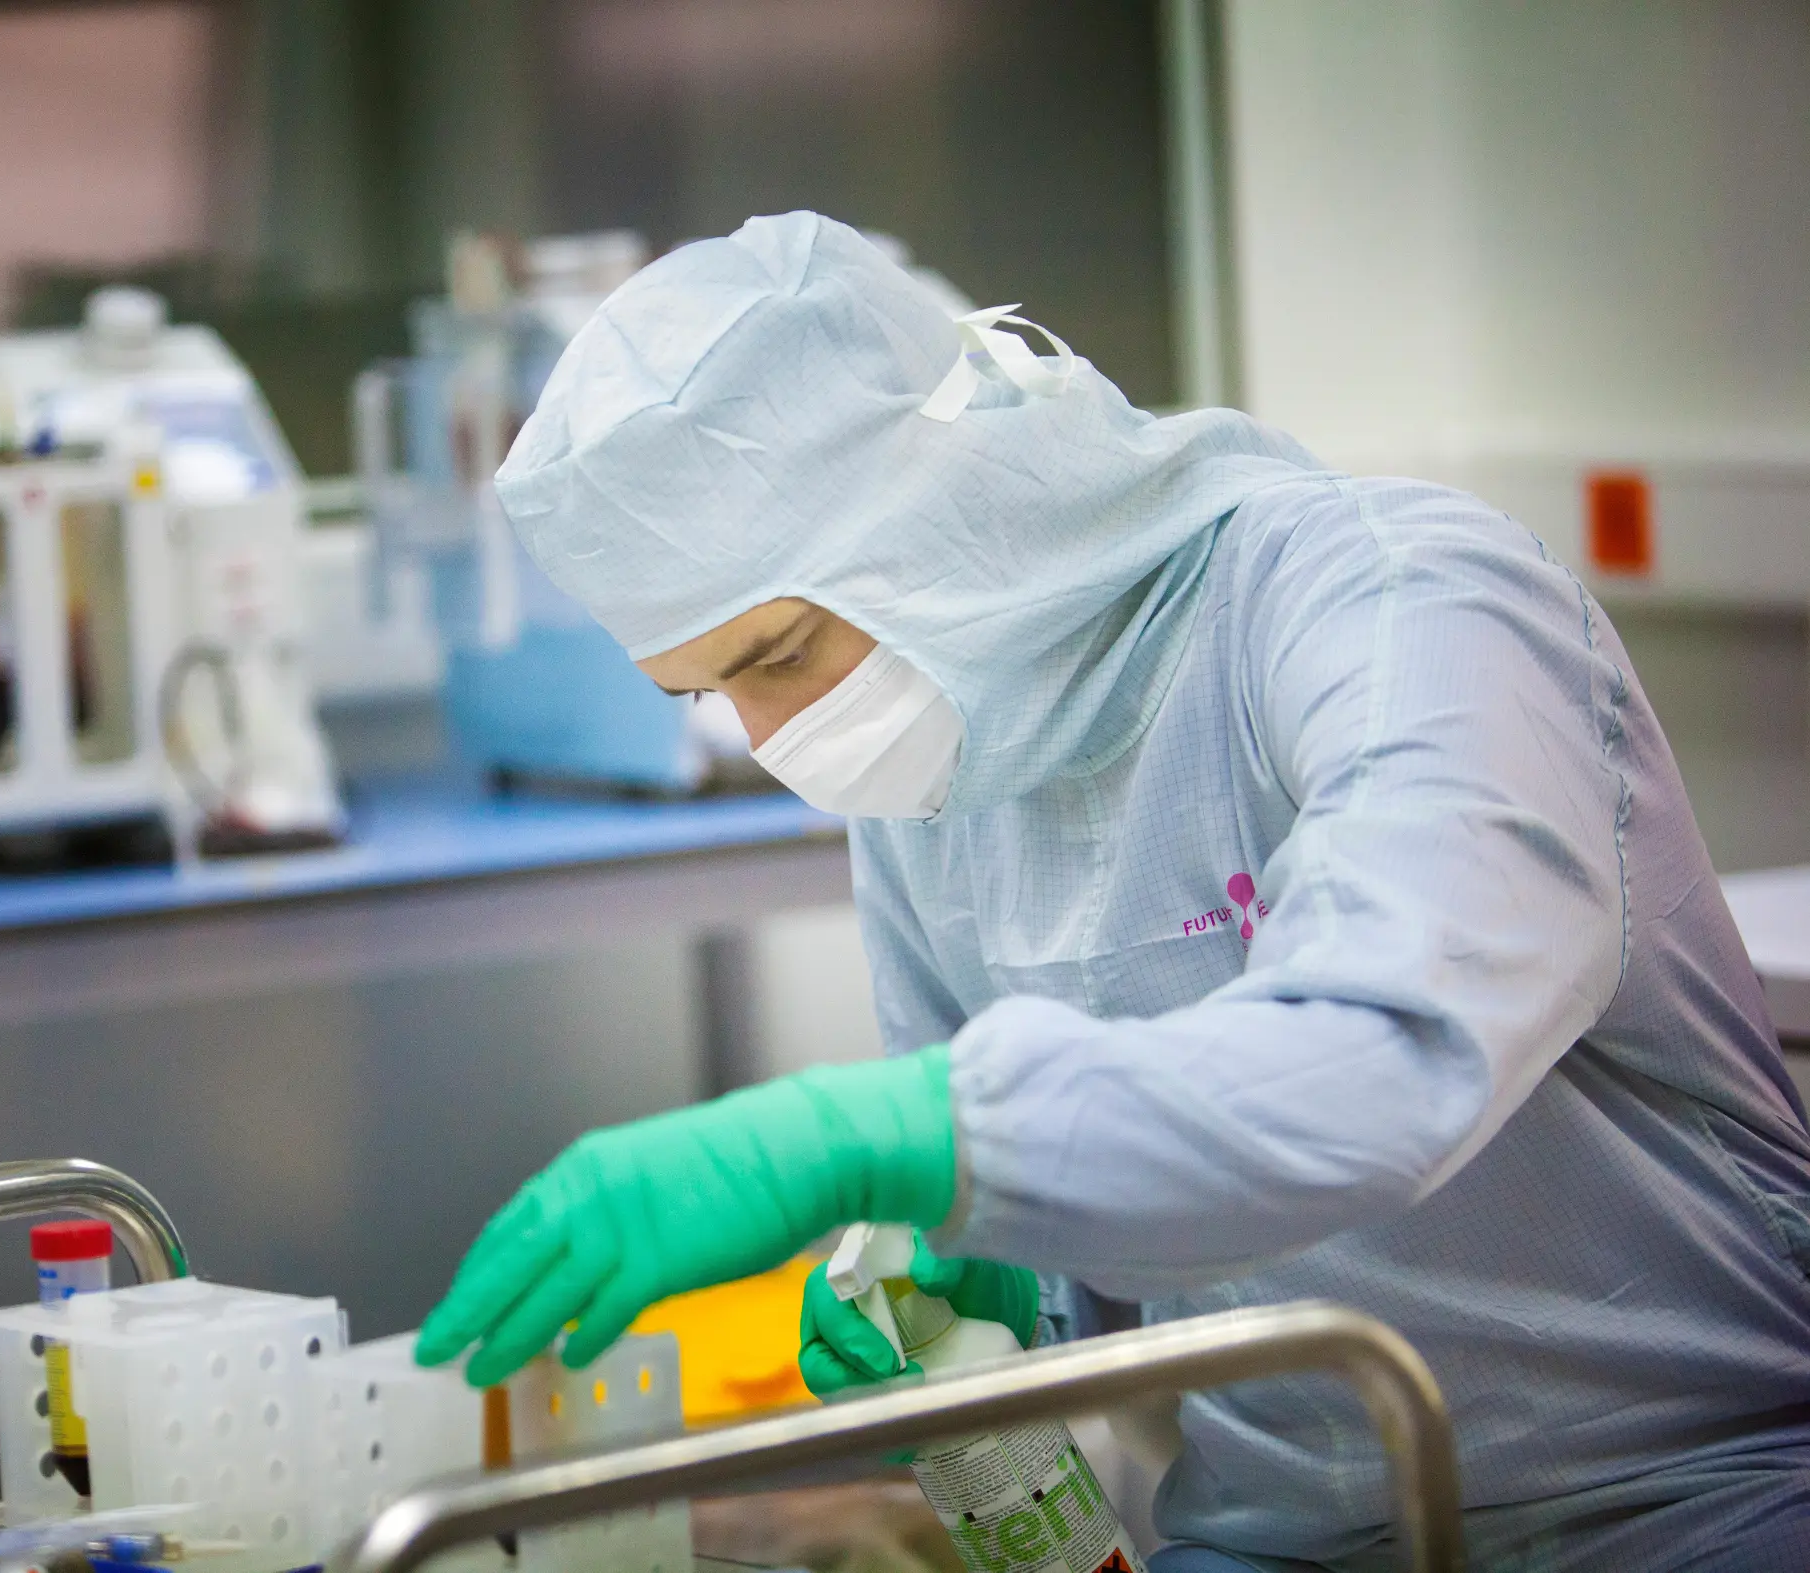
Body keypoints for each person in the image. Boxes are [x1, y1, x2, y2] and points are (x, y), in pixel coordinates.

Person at [411, 212, 1810, 1570]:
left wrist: (888, 1139)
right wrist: (1001, 1299)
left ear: (936, 495)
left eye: (778, 651)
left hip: (1689, 1502)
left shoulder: (1398, 601)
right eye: (711, 691)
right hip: (1281, 1538)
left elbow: (1386, 1067)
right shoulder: (929, 771)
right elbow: (1123, 1226)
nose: (776, 741)